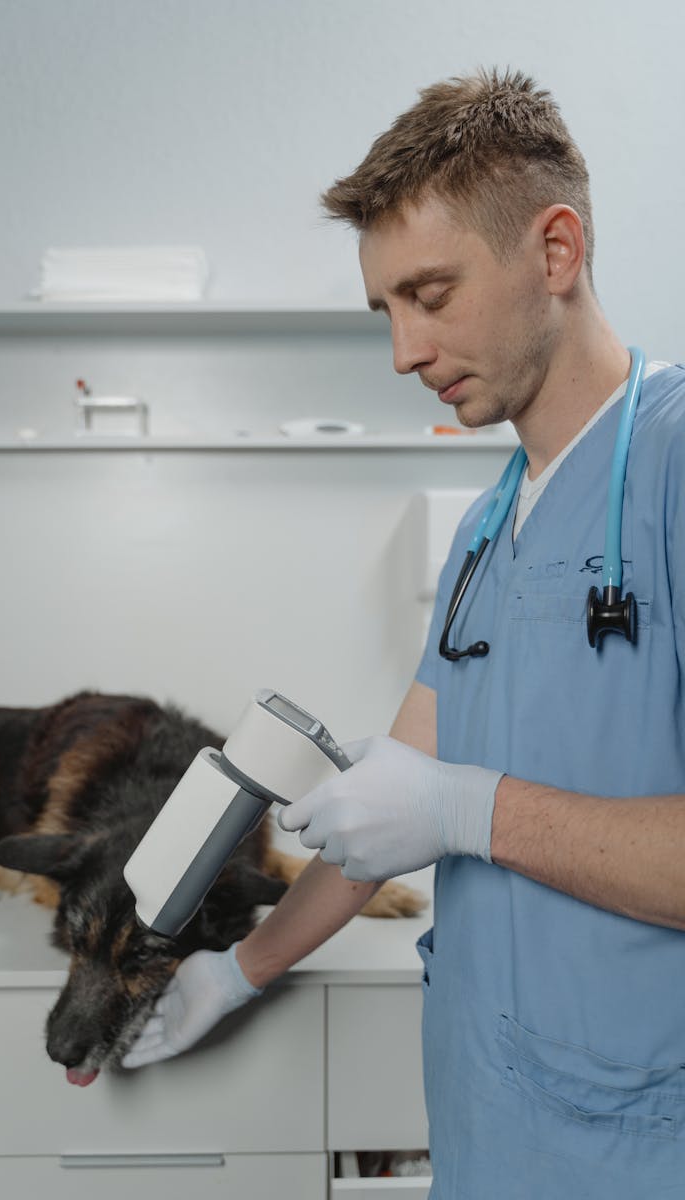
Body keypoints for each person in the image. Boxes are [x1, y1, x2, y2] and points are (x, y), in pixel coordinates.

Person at [122, 70, 685, 1198]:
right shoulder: (484, 527)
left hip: (636, 1142)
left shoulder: (671, 465)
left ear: (555, 251)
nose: (401, 349)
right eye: (385, 308)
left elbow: (439, 802)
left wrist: (464, 811)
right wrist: (238, 969)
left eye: (429, 293)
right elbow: (396, 792)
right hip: (486, 1126)